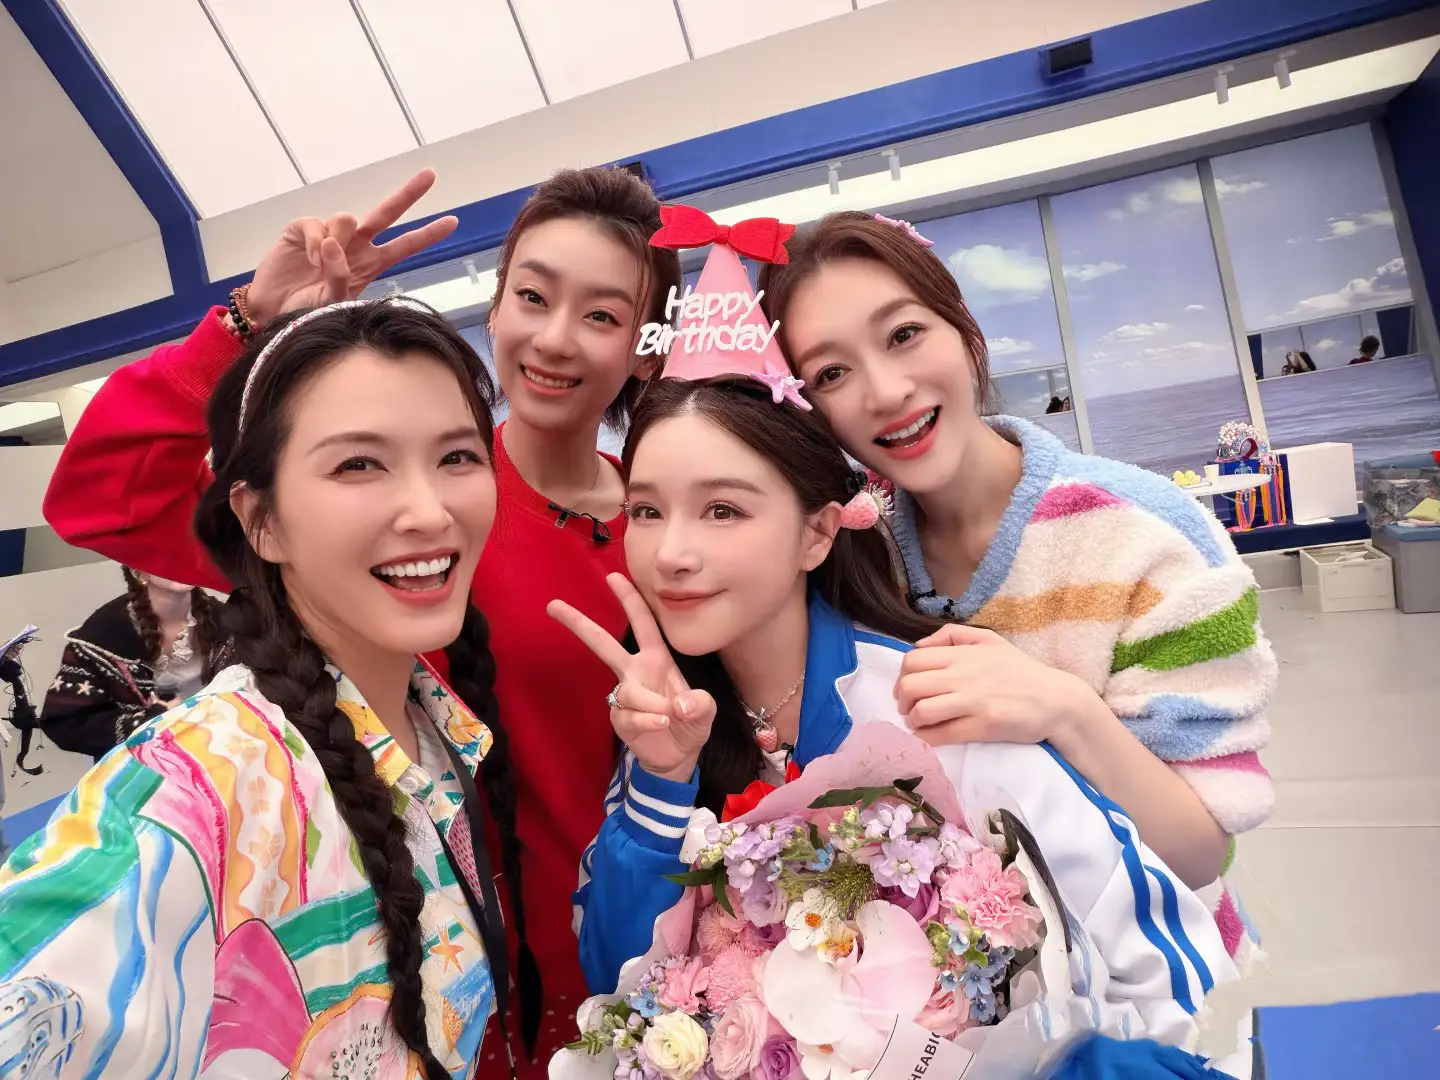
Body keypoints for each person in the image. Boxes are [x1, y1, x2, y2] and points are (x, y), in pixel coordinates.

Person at [40, 166, 683, 1069]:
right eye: (532, 296)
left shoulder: (672, 527)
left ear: (647, 349)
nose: (554, 337)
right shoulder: (376, 519)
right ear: (495, 305)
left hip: (645, 952)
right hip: (429, 974)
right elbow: (104, 500)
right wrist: (250, 328)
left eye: (603, 315)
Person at [554, 377, 1234, 1058]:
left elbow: (1150, 960)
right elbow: (622, 996)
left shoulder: (934, 699)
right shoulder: (663, 729)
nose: (670, 554)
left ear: (818, 532)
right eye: (647, 511)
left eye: (723, 510)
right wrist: (663, 779)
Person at [0, 298, 512, 1077]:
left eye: (458, 457)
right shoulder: (200, 786)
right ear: (260, 521)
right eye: (358, 464)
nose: (428, 510)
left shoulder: (435, 730)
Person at [756, 212, 1274, 955]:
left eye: (904, 334)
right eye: (831, 373)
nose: (887, 391)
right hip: (938, 989)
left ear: (963, 328)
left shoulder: (1144, 535)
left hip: (1137, 971)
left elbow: (1200, 851)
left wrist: (1066, 710)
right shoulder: (849, 552)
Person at [40, 566, 224, 761]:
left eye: (187, 556)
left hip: (219, 754)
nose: (180, 564)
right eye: (167, 557)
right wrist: (151, 722)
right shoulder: (103, 633)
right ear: (139, 572)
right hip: (140, 766)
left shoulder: (230, 622)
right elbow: (65, 722)